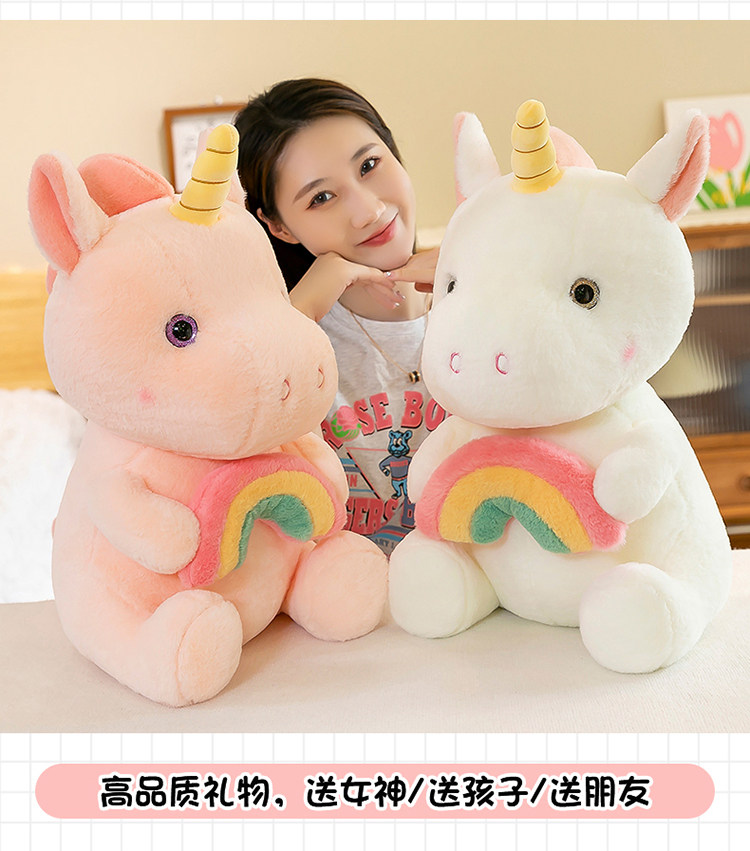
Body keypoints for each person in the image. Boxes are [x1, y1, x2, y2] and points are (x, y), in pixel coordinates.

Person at [235, 78, 446, 555]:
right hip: (345, 593)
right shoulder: (294, 345)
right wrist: (302, 310)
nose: (367, 211)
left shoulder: (485, 301)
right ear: (279, 226)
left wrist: (486, 278)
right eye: (321, 198)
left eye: (369, 165)